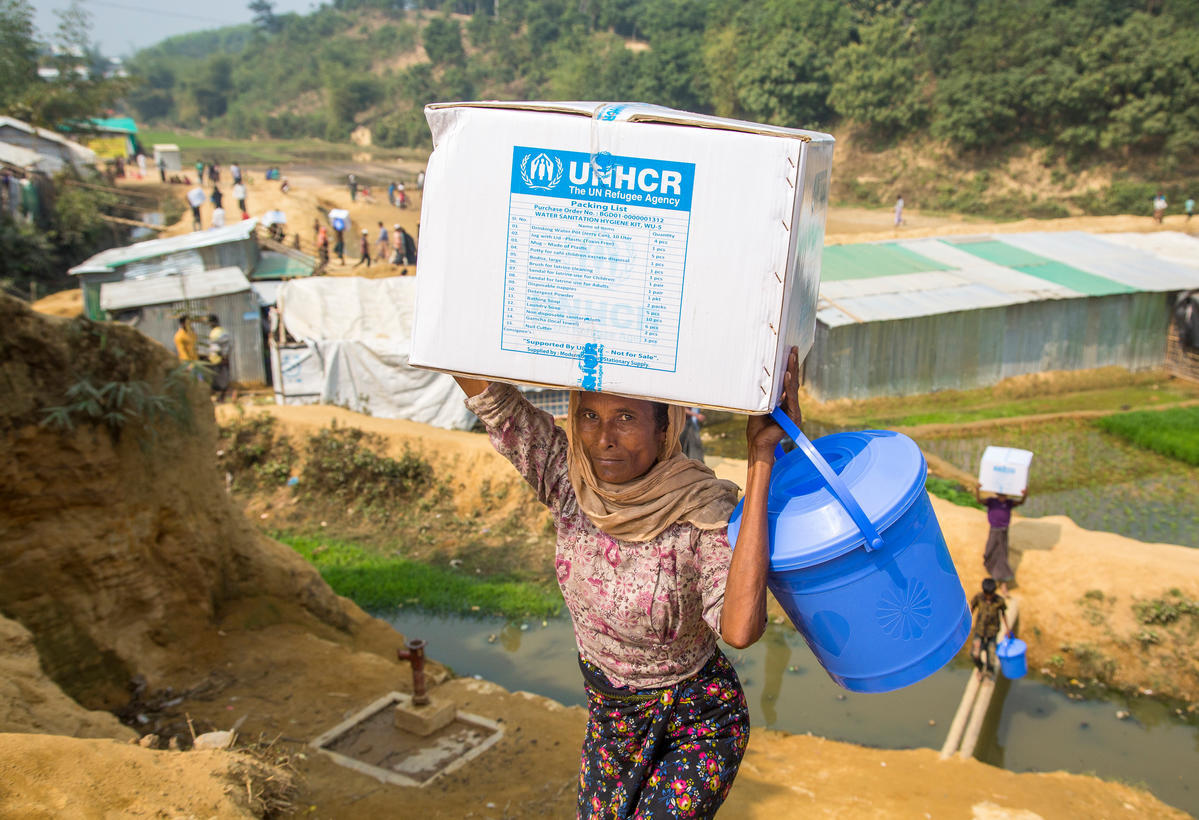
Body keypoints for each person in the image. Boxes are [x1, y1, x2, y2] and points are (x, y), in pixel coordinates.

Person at [454, 347, 803, 818]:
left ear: (664, 428)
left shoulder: (700, 513)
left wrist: (760, 459)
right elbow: (495, 403)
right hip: (612, 725)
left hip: (697, 721)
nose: (603, 439)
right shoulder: (569, 483)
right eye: (589, 416)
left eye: (625, 417)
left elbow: (740, 630)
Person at [974, 485, 1026, 595]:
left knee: (1002, 555)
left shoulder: (1009, 503)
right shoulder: (991, 501)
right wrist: (977, 490)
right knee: (989, 552)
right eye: (1001, 495)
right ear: (997, 494)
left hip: (1003, 531)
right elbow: (979, 501)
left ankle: (1003, 584)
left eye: (1004, 495)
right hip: (994, 530)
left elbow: (1021, 502)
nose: (1003, 497)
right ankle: (993, 574)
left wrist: (1024, 494)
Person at [969, 578, 1010, 681]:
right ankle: (980, 668)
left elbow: (1004, 614)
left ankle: (989, 673)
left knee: (991, 656)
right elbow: (971, 608)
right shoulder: (978, 598)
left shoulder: (999, 601)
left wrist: (1007, 629)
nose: (989, 597)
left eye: (991, 594)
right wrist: (968, 623)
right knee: (975, 654)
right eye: (987, 594)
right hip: (979, 631)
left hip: (992, 632)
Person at [206, 314, 233, 403]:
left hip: (220, 359)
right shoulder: (215, 332)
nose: (209, 325)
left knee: (222, 379)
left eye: (210, 323)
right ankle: (219, 397)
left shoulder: (220, 332)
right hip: (215, 360)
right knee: (217, 379)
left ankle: (222, 397)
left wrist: (224, 356)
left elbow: (226, 346)